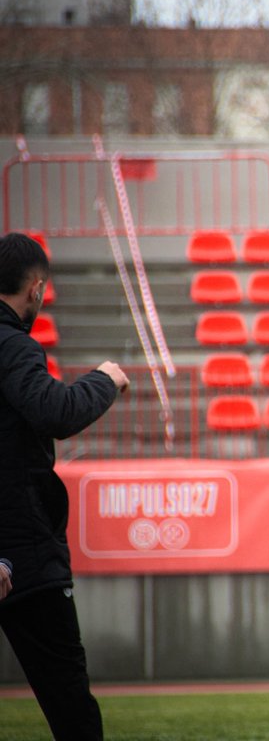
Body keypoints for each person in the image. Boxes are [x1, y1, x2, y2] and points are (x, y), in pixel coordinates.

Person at [0, 231, 129, 740]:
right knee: (69, 700)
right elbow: (55, 411)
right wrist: (104, 378)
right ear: (35, 289)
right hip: (23, 552)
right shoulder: (14, 347)